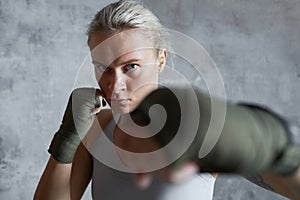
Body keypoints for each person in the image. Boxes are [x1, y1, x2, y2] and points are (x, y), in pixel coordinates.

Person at [34, 0, 300, 199]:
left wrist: (266, 143)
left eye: (130, 67)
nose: (115, 85)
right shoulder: (96, 127)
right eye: (103, 68)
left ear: (160, 59)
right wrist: (65, 143)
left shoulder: (195, 125)